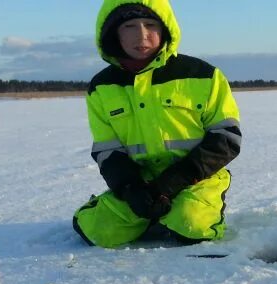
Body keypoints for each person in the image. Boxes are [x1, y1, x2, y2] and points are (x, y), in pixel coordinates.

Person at [73, 0, 242, 248]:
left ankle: (180, 212)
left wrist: (173, 181)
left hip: (196, 178)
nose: (141, 35)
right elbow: (107, 150)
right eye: (129, 26)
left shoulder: (203, 75)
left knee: (191, 225)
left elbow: (227, 138)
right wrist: (130, 189)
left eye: (150, 25)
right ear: (113, 33)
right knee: (97, 231)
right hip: (140, 183)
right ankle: (146, 214)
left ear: (165, 29)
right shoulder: (101, 87)